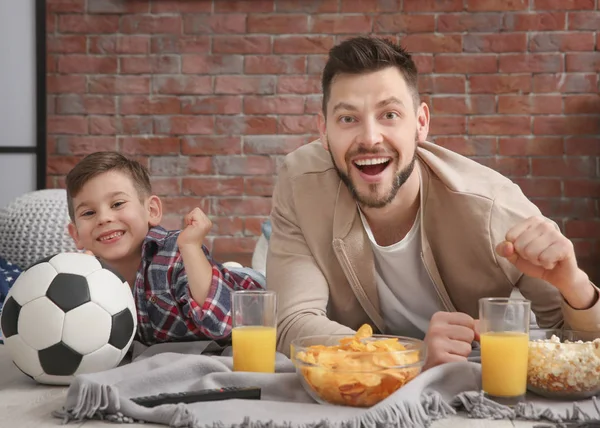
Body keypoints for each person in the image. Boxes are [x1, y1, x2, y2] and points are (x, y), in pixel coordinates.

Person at [266, 36, 600, 369]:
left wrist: (575, 286)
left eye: (390, 115)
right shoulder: (300, 183)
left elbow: (580, 345)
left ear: (421, 123)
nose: (369, 138)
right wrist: (409, 358)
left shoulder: (492, 207)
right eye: (348, 119)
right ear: (323, 131)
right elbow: (293, 324)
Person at [65, 151, 264, 345]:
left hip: (248, 295)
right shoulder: (85, 278)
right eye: (89, 212)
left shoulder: (175, 253)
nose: (104, 218)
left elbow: (225, 324)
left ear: (151, 211)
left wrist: (191, 247)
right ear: (76, 235)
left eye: (117, 204)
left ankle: (226, 271)